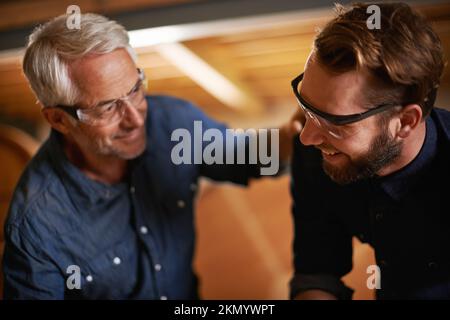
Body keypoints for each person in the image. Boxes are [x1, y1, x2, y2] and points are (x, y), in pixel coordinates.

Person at [2, 13, 299, 299]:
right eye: (107, 108)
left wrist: (292, 135)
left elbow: (245, 156)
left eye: (134, 90)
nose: (135, 118)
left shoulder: (173, 124)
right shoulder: (36, 224)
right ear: (58, 120)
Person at [290, 2, 449, 300]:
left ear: (405, 122)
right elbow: (318, 270)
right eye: (306, 108)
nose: (306, 138)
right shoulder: (318, 155)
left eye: (335, 123)